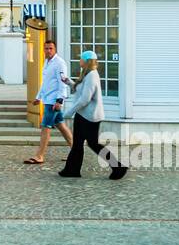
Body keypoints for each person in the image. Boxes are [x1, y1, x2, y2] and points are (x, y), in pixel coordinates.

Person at [58, 51, 127, 180]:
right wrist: (69, 82)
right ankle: (72, 170)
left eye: (81, 59)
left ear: (87, 61)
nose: (79, 61)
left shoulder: (91, 76)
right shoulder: (88, 74)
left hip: (88, 117)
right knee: (79, 144)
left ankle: (118, 167)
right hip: (85, 115)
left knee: (92, 144)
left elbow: (85, 99)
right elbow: (81, 90)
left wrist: (69, 112)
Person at [25, 37, 73, 165]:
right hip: (47, 99)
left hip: (53, 101)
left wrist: (59, 101)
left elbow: (62, 83)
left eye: (51, 48)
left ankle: (39, 155)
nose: (48, 50)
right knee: (61, 126)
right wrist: (38, 97)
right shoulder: (46, 62)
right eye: (46, 48)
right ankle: (76, 153)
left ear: (55, 49)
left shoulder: (59, 63)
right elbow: (45, 83)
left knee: (45, 127)